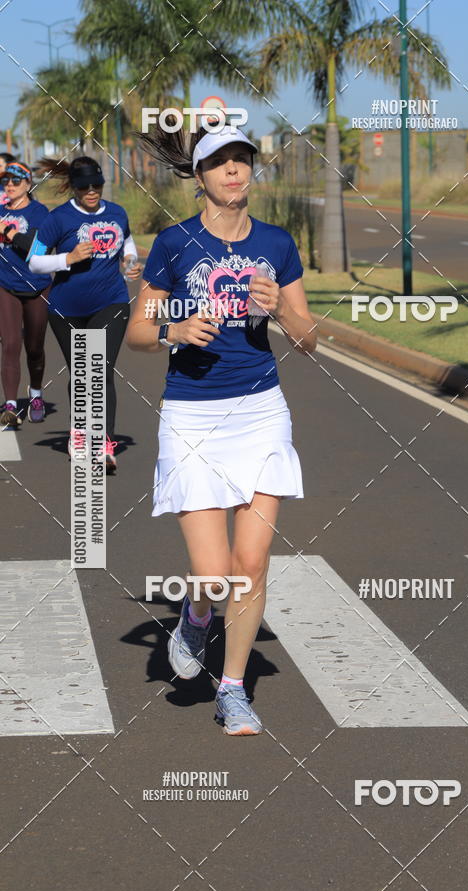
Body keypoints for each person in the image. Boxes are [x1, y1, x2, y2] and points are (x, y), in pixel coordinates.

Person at [127, 122, 317, 735]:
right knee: (214, 575)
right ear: (200, 176)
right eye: (220, 162)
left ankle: (232, 689)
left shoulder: (277, 243)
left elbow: (310, 338)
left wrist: (279, 308)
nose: (234, 170)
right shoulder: (173, 244)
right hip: (192, 417)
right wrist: (173, 332)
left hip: (261, 410)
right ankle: (196, 617)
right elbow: (135, 334)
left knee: (252, 561)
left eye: (242, 160)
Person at [28, 156, 142, 470]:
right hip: (67, 309)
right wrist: (69, 257)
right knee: (81, 372)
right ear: (74, 188)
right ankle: (78, 433)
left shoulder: (117, 213)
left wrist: (130, 262)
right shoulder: (58, 219)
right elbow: (35, 262)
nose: (92, 191)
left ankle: (105, 442)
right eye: (84, 186)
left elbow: (128, 241)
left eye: (97, 185)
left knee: (101, 371)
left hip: (111, 302)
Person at [0, 162, 51, 426]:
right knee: (9, 344)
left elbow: (36, 249)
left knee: (34, 348)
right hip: (4, 285)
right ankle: (10, 406)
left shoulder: (40, 212)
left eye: (15, 181)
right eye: (5, 181)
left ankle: (36, 393)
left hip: (37, 285)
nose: (9, 185)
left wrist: (7, 230)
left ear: (28, 184)